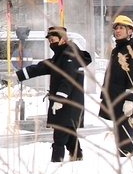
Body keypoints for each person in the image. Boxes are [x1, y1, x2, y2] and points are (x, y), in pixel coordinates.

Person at [15, 26, 92, 163]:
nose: (51, 43)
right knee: (69, 134)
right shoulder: (60, 56)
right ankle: (77, 158)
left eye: (53, 40)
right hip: (67, 104)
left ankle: (57, 162)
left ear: (63, 39)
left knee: (59, 137)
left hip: (69, 104)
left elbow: (67, 78)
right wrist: (18, 75)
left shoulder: (70, 55)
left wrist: (60, 99)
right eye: (49, 41)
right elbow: (42, 67)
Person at [99, 15, 133, 157]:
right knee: (119, 134)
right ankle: (123, 158)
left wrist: (129, 99)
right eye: (116, 28)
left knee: (125, 135)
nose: (117, 31)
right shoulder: (118, 49)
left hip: (126, 99)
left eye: (121, 28)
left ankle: (127, 161)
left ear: (130, 31)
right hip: (116, 97)